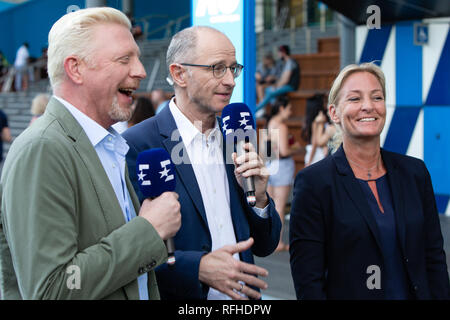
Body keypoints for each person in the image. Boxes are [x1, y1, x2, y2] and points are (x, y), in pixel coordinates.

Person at [0, 7, 181, 300]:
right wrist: (147, 231)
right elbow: (53, 289)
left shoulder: (108, 145)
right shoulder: (43, 149)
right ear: (76, 69)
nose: (141, 71)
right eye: (124, 59)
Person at [123, 25, 282, 300]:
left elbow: (266, 245)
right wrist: (197, 268)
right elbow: (127, 253)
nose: (231, 80)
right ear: (179, 73)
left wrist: (259, 199)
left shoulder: (238, 139)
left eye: (233, 68)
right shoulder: (137, 145)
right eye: (217, 68)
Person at [289, 62, 450, 300]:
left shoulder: (415, 173)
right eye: (354, 99)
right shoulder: (314, 183)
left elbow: (434, 259)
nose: (368, 106)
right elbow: (308, 283)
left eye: (377, 97)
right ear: (334, 113)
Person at [263, 95, 301, 252]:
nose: (291, 111)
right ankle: (277, 242)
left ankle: (267, 240)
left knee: (270, 205)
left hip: (270, 164)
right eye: (289, 108)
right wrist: (296, 147)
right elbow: (285, 151)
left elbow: (267, 152)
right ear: (281, 108)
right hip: (282, 166)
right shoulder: (282, 127)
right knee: (279, 206)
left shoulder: (269, 124)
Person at [255, 45, 300, 114]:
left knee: (270, 91)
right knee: (269, 90)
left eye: (279, 52)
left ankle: (257, 109)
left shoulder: (290, 62)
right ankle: (276, 111)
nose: (278, 54)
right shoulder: (286, 62)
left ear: (283, 52)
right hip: (286, 85)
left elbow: (285, 80)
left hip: (291, 86)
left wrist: (276, 86)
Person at [301, 94, 336, 166]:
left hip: (317, 152)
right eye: (324, 102)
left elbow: (316, 142)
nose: (325, 105)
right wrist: (310, 161)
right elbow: (315, 142)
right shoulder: (317, 122)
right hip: (316, 154)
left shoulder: (316, 121)